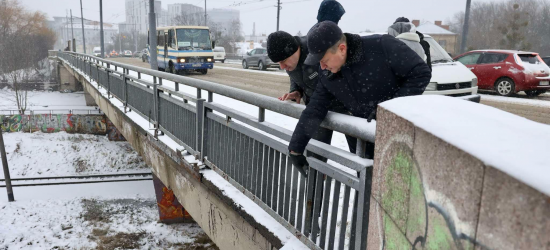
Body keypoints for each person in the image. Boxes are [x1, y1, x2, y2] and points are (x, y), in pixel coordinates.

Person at [288, 21, 431, 171]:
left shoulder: (382, 46)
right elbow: (315, 108)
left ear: (342, 49)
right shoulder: (328, 73)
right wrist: (295, 149)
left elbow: (420, 73)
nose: (322, 67)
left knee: (394, 183)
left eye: (324, 61)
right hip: (361, 141)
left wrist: (387, 110)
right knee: (365, 186)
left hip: (396, 135)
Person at [267, 31, 357, 176]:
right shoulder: (290, 60)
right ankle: (314, 194)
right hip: (317, 112)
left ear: (295, 50)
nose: (282, 67)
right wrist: (296, 91)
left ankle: (366, 195)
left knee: (361, 160)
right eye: (278, 63)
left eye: (283, 61)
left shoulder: (316, 51)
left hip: (347, 110)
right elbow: (295, 77)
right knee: (315, 159)